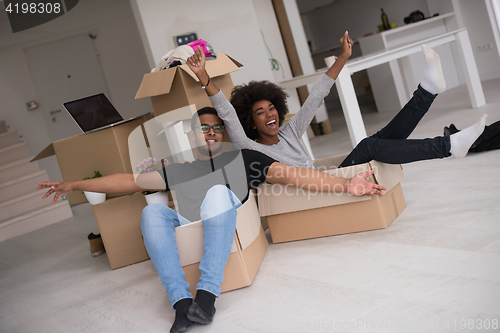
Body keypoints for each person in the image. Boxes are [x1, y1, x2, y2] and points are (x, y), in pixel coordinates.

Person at [38, 108, 386, 333]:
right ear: (191, 135)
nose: (210, 133)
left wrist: (345, 183)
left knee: (218, 194)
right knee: (151, 211)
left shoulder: (246, 158)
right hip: (190, 225)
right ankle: (180, 303)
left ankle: (206, 296)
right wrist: (74, 184)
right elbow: (129, 181)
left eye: (216, 128)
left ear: (223, 133)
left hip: (222, 215)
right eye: (202, 129)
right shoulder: (180, 169)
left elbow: (293, 176)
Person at [187, 32, 488, 169]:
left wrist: (343, 57)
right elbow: (225, 112)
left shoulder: (289, 132)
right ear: (250, 123)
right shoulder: (248, 146)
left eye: (272, 108)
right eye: (260, 112)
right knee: (370, 146)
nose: (270, 114)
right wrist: (203, 77)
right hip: (317, 191)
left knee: (376, 141)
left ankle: (428, 91)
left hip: (327, 178)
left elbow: (316, 97)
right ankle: (446, 146)